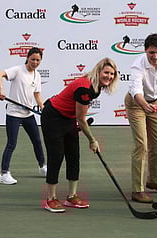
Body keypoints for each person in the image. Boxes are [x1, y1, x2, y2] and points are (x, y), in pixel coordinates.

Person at [41, 58, 119, 213]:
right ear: (98, 71)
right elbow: (81, 119)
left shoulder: (96, 87)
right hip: (53, 117)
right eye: (106, 72)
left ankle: (72, 196)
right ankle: (50, 199)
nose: (109, 76)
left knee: (73, 155)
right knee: (56, 156)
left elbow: (78, 116)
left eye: (112, 74)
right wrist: (92, 140)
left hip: (68, 118)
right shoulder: (85, 88)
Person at [125, 33, 157, 203]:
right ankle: (137, 191)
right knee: (141, 146)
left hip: (155, 101)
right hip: (137, 104)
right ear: (145, 51)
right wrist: (145, 106)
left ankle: (154, 180)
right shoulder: (138, 66)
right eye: (151, 53)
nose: (155, 56)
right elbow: (136, 91)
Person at [0, 47, 46, 185]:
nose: (35, 62)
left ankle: (42, 166)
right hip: (13, 114)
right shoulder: (18, 70)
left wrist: (43, 108)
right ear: (27, 58)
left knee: (37, 140)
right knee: (12, 143)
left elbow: (37, 94)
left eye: (38, 60)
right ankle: (4, 174)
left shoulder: (37, 75)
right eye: (33, 59)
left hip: (28, 114)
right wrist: (2, 90)